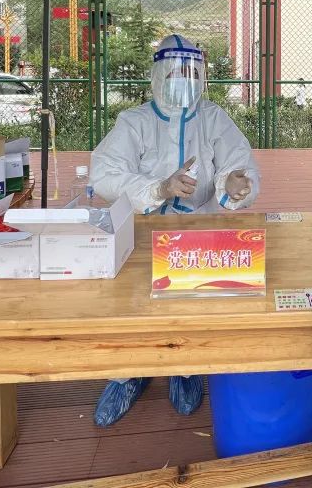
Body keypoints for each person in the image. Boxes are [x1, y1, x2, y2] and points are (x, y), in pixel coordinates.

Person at [89, 34, 260, 426]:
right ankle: (128, 374)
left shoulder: (214, 118)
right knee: (131, 304)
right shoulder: (135, 122)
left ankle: (186, 368)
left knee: (194, 303)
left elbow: (239, 163)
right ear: (158, 75)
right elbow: (104, 174)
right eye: (176, 73)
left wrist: (236, 185)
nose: (186, 81)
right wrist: (159, 188)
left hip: (199, 229)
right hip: (143, 230)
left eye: (193, 73)